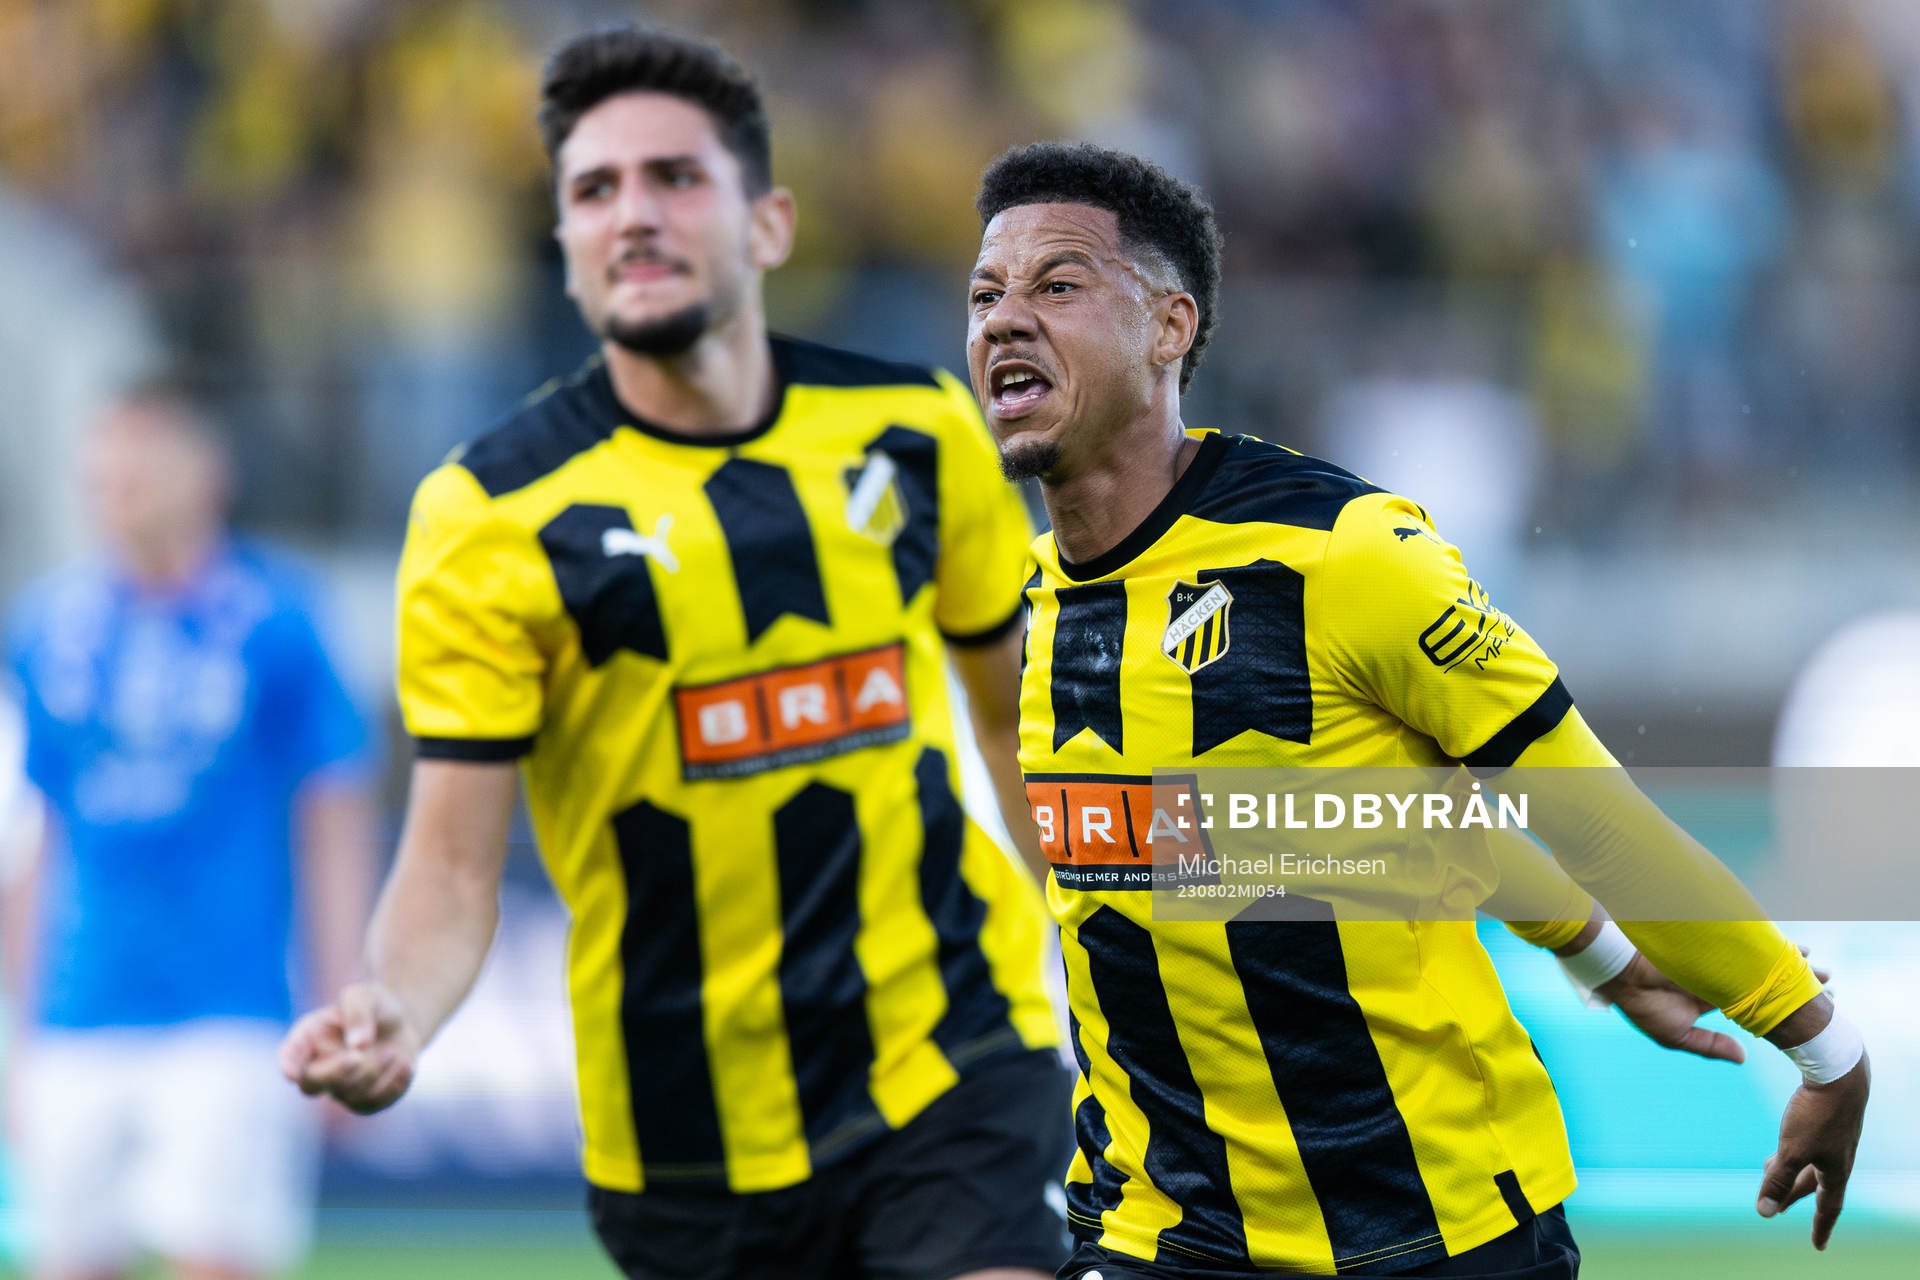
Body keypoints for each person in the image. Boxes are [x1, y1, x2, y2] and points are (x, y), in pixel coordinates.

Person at [962, 142, 1870, 1279]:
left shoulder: (1344, 556)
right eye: (985, 294)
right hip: (1158, 1232)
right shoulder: (1022, 614)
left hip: (1427, 1230)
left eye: (1056, 285)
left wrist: (1824, 1048)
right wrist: (1596, 953)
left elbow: (1600, 822)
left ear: (1170, 327)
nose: (1004, 320)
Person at [279, 27, 1070, 1280]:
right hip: (683, 1139)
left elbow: (1017, 726)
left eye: (674, 178)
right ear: (569, 254)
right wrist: (395, 1004)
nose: (632, 214)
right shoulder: (487, 515)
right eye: (595, 191)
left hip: (953, 1060)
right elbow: (448, 858)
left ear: (768, 224)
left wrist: (1115, 933)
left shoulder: (917, 430)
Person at [1, 383, 376, 1280]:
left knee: (217, 1260)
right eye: (105, 461)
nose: (117, 479)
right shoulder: (46, 629)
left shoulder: (279, 620)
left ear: (209, 472)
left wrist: (342, 997)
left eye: (143, 455)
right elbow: (29, 837)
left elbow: (332, 818)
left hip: (230, 1015)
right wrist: (15, 1025)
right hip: (76, 1014)